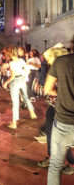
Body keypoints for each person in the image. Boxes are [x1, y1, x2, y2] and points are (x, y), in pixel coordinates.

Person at [37, 46, 74, 174]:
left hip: (61, 107)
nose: (47, 61)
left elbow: (46, 87)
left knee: (67, 138)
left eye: (48, 59)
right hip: (53, 106)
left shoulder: (62, 68)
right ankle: (51, 157)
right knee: (51, 134)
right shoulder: (59, 66)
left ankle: (71, 163)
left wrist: (60, 94)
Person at [2, 46, 37, 129]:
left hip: (15, 82)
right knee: (25, 97)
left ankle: (14, 123)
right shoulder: (21, 60)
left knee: (15, 103)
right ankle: (31, 111)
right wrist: (25, 77)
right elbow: (27, 70)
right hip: (22, 80)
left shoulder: (12, 63)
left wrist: (6, 83)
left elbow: (13, 76)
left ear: (9, 54)